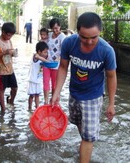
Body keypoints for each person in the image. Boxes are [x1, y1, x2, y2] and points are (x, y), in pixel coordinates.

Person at [51, 12, 117, 162]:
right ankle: (85, 148)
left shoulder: (106, 51)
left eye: (94, 37)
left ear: (100, 31)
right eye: (84, 37)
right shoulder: (69, 43)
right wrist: (57, 92)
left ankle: (85, 152)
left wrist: (111, 104)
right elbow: (62, 67)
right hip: (74, 93)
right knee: (80, 127)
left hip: (93, 97)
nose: (89, 42)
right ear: (77, 31)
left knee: (87, 138)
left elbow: (111, 77)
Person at [0, 22, 18, 112]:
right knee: (2, 89)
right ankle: (3, 109)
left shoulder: (9, 41)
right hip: (0, 71)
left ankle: (10, 101)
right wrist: (4, 53)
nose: (9, 37)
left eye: (11, 36)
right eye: (8, 35)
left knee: (15, 88)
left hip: (10, 69)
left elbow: (10, 52)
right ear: (3, 32)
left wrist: (13, 53)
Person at [43, 18, 66, 104]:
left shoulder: (62, 37)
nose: (55, 30)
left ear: (60, 27)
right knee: (46, 83)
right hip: (47, 63)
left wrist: (59, 58)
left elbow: (65, 50)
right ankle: (45, 102)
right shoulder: (49, 35)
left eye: (56, 28)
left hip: (57, 65)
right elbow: (43, 45)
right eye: (53, 28)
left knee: (55, 85)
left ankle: (54, 102)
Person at [27, 41, 49, 110]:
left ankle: (37, 108)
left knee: (37, 95)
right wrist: (46, 61)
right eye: (45, 52)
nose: (46, 54)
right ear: (39, 51)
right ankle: (30, 108)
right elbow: (39, 58)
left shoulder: (41, 58)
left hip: (38, 80)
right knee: (31, 95)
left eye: (47, 52)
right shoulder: (35, 56)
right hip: (32, 80)